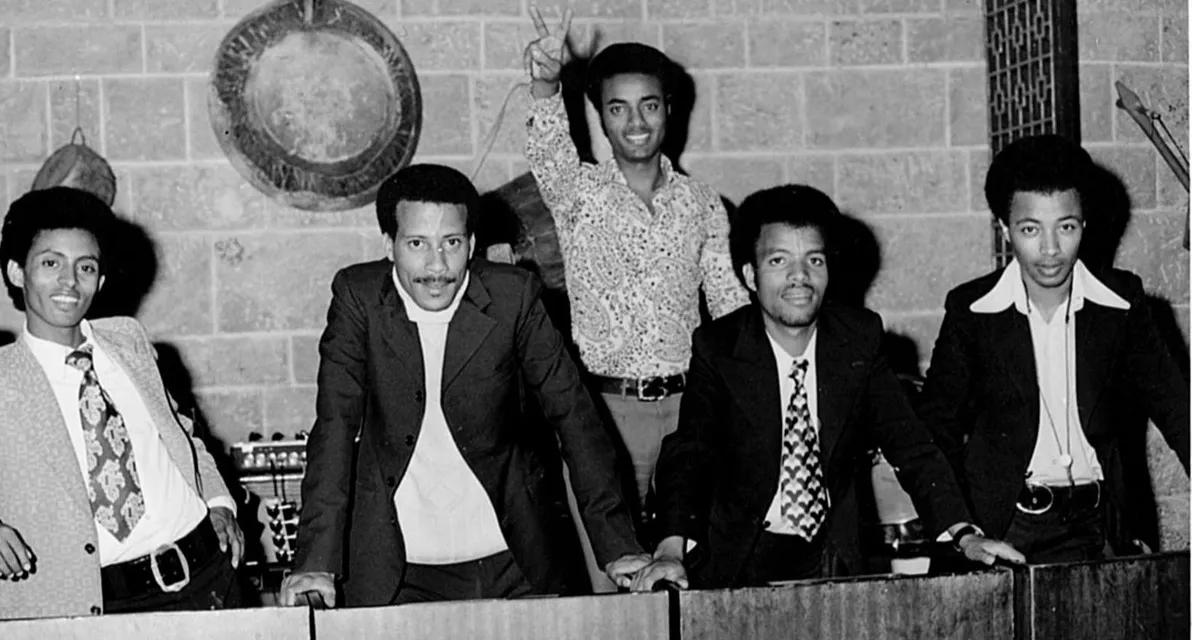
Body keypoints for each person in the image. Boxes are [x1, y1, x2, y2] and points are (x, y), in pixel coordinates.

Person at [278, 164, 650, 608]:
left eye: (451, 243)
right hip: (399, 571)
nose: (437, 266)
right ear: (389, 245)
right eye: (417, 244)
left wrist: (619, 546)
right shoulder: (358, 298)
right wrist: (315, 560)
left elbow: (575, 417)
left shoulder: (514, 296)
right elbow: (335, 426)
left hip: (517, 561)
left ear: (471, 244)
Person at [633, 185, 1023, 590]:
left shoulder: (859, 339)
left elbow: (912, 444)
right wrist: (669, 550)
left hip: (829, 557)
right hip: (740, 554)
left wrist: (963, 533)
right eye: (779, 260)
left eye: (813, 260)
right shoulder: (720, 348)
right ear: (750, 275)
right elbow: (688, 454)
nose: (799, 276)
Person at [0, 187, 244, 620]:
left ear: (100, 280)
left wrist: (219, 504)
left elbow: (182, 434)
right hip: (91, 607)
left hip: (208, 581)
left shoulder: (129, 340)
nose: (69, 281)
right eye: (51, 263)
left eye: (85, 267)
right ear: (17, 272)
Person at [523, 6, 749, 530]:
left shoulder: (703, 202)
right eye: (618, 109)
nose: (636, 122)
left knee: (686, 562)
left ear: (669, 110)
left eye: (648, 105)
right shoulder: (577, 192)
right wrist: (545, 82)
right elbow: (550, 150)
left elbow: (730, 308)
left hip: (688, 411)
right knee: (611, 575)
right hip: (603, 412)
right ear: (600, 116)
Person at [917, 135, 1190, 563]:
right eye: (1030, 229)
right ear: (1005, 228)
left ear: (1085, 224)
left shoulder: (1122, 303)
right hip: (1005, 529)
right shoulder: (972, 311)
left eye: (1066, 227)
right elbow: (934, 430)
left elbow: (1179, 410)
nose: (1050, 250)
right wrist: (963, 532)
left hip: (1101, 528)